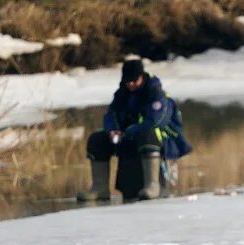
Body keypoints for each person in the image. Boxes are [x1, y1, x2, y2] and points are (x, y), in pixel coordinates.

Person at [77, 58, 191, 202]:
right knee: (97, 139)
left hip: (162, 141)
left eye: (134, 80)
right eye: (127, 81)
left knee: (148, 134)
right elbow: (111, 115)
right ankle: (100, 188)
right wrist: (113, 131)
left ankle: (153, 185)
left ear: (141, 77)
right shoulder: (121, 95)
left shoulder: (157, 95)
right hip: (130, 137)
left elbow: (155, 122)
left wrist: (128, 131)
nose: (130, 84)